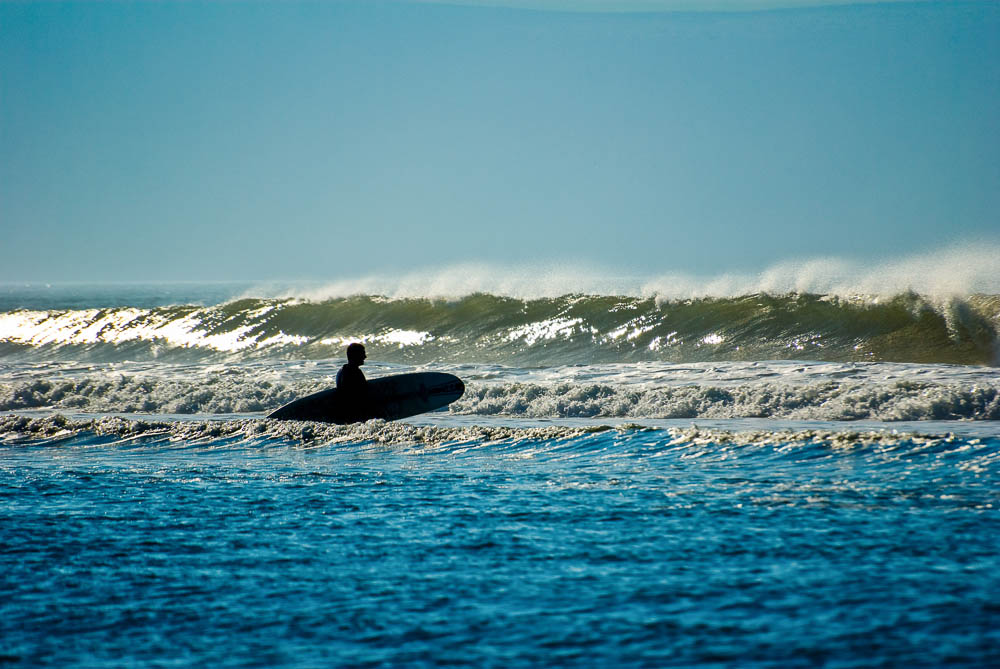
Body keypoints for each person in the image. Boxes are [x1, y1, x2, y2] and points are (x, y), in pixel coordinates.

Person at [336, 343, 368, 421]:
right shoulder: (352, 372)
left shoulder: (343, 370)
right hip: (354, 415)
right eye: (362, 354)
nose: (365, 357)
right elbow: (352, 396)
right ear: (355, 355)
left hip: (348, 414)